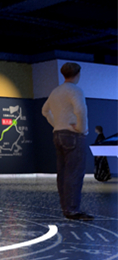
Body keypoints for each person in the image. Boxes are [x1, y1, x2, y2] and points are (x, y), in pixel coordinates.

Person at [42, 62, 93, 220]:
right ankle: (72, 209)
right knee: (75, 172)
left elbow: (45, 111)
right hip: (73, 135)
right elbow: (80, 110)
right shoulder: (75, 90)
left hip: (58, 134)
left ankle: (66, 207)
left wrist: (57, 124)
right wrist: (81, 128)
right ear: (78, 74)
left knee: (63, 173)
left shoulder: (56, 91)